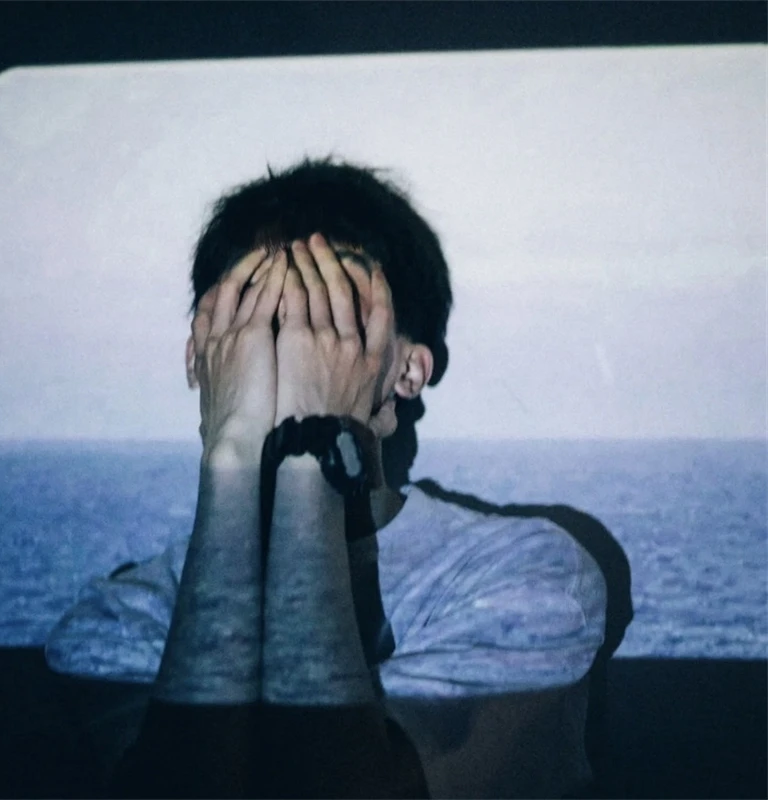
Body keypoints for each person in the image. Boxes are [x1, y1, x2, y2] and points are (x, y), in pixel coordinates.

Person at [46, 158, 622, 798]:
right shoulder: (123, 618)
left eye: (330, 318)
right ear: (202, 360)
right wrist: (232, 457)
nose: (294, 346)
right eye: (257, 317)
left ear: (407, 372)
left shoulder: (522, 576)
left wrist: (312, 454)